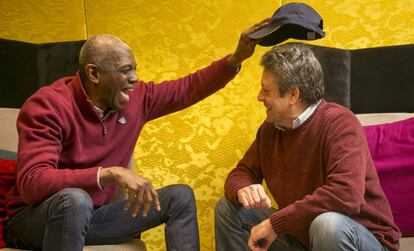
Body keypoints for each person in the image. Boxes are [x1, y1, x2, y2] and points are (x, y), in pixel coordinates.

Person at [4, 20, 268, 251]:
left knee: (179, 196)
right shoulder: (48, 106)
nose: (135, 78)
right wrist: (108, 173)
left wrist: (236, 58)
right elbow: (32, 182)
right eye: (125, 70)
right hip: (35, 222)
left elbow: (189, 88)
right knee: (75, 199)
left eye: (135, 69)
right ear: (94, 73)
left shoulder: (137, 99)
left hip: (93, 217)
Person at [215, 43, 401, 251]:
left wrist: (275, 224)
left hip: (364, 241)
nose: (259, 97)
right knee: (228, 209)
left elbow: (346, 194)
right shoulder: (269, 130)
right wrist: (243, 189)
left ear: (293, 95)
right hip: (306, 242)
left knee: (327, 225)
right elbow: (241, 173)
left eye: (266, 90)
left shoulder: (339, 122)